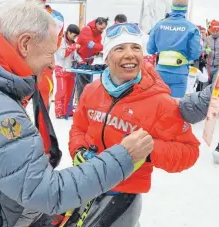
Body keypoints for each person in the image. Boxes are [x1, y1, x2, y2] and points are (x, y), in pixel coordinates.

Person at [0, 1, 155, 226]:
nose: (52, 63)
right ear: (25, 43)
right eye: (50, 52)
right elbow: (47, 193)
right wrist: (123, 156)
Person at [67, 23, 200, 227]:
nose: (129, 54)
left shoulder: (160, 102)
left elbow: (189, 151)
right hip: (87, 183)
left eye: (135, 48)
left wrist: (147, 149)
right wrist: (79, 150)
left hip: (124, 194)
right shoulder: (92, 91)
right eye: (120, 48)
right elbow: (78, 128)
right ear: (107, 56)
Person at [147, 0, 201, 98]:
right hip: (180, 73)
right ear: (186, 9)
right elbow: (195, 53)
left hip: (160, 72)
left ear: (172, 7)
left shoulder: (159, 25)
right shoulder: (192, 28)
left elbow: (150, 49)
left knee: (159, 105)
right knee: (176, 106)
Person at [24, 0, 64, 111]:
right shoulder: (57, 17)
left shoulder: (56, 18)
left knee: (41, 107)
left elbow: (55, 44)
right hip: (35, 65)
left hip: (39, 66)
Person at [54, 24, 83, 118]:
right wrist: (73, 47)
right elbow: (62, 55)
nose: (75, 37)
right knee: (61, 92)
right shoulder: (60, 41)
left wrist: (82, 61)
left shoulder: (72, 42)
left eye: (76, 36)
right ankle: (59, 112)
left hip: (71, 70)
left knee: (70, 93)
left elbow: (75, 55)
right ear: (69, 32)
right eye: (74, 35)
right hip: (61, 69)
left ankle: (68, 111)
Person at [76, 17, 108, 99]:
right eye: (101, 28)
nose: (102, 30)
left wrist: (98, 49)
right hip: (81, 61)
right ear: (97, 24)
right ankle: (81, 104)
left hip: (88, 61)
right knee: (83, 87)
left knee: (88, 86)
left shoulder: (98, 34)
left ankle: (86, 103)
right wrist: (103, 48)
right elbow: (90, 45)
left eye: (104, 29)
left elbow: (96, 46)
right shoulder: (87, 30)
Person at [204, 20, 219, 84]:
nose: (215, 33)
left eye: (217, 31)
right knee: (206, 84)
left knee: (215, 85)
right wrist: (205, 51)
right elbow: (201, 50)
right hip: (208, 67)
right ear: (210, 30)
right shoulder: (207, 39)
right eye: (213, 31)